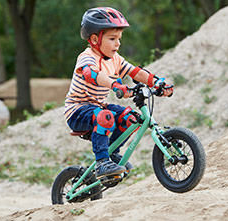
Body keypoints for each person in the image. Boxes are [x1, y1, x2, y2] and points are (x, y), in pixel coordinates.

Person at [64, 7, 173, 179]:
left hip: (98, 106)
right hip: (77, 110)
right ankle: (101, 162)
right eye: (112, 38)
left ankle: (111, 153)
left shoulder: (115, 59)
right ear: (94, 39)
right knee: (105, 116)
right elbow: (90, 74)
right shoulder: (87, 57)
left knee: (130, 119)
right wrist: (115, 84)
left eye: (119, 39)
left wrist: (157, 82)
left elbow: (135, 72)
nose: (118, 43)